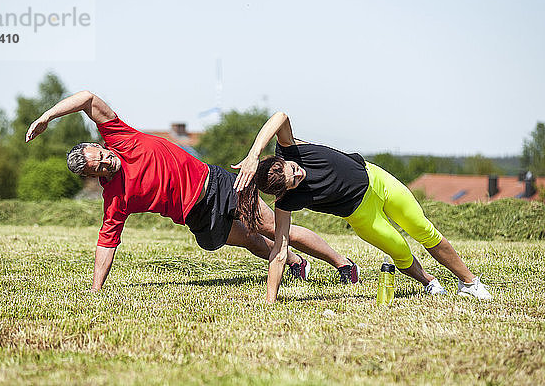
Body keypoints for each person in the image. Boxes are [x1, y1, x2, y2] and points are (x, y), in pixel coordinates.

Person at [25, 91, 360, 293]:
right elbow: (106, 242)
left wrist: (47, 116)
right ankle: (295, 263)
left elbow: (86, 98)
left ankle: (342, 264)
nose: (105, 162)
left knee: (270, 226)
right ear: (92, 174)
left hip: (215, 183)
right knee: (250, 241)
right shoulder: (116, 199)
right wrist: (96, 292)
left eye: (101, 155)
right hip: (197, 216)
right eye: (96, 167)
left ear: (101, 146)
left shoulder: (120, 136)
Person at [233, 111, 493, 303]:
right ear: (284, 191)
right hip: (360, 214)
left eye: (294, 170)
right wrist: (269, 301)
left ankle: (469, 283)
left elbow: (280, 116)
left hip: (377, 180)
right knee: (399, 250)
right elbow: (280, 251)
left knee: (423, 229)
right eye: (294, 181)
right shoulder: (285, 203)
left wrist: (254, 154)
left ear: (284, 161)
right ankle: (428, 282)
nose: (299, 174)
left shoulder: (291, 150)